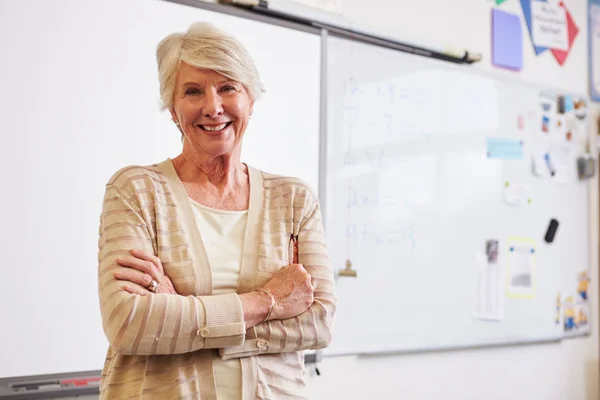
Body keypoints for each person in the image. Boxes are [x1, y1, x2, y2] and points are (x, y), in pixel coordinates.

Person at [97, 21, 337, 399]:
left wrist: (181, 312)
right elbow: (129, 323)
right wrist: (268, 302)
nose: (213, 107)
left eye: (228, 87)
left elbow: (318, 323)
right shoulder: (136, 190)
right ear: (173, 110)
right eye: (193, 91)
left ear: (250, 101)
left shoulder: (293, 200)